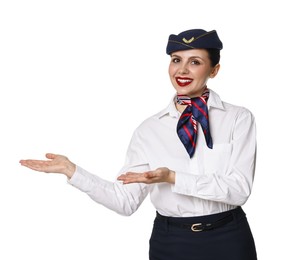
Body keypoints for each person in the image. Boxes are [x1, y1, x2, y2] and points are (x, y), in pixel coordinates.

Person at [20, 29, 257, 260]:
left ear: (214, 70)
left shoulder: (238, 118)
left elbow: (239, 190)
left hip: (228, 239)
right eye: (176, 60)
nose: (182, 70)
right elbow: (124, 202)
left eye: (195, 62)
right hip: (171, 242)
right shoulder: (149, 130)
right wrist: (72, 171)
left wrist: (173, 177)